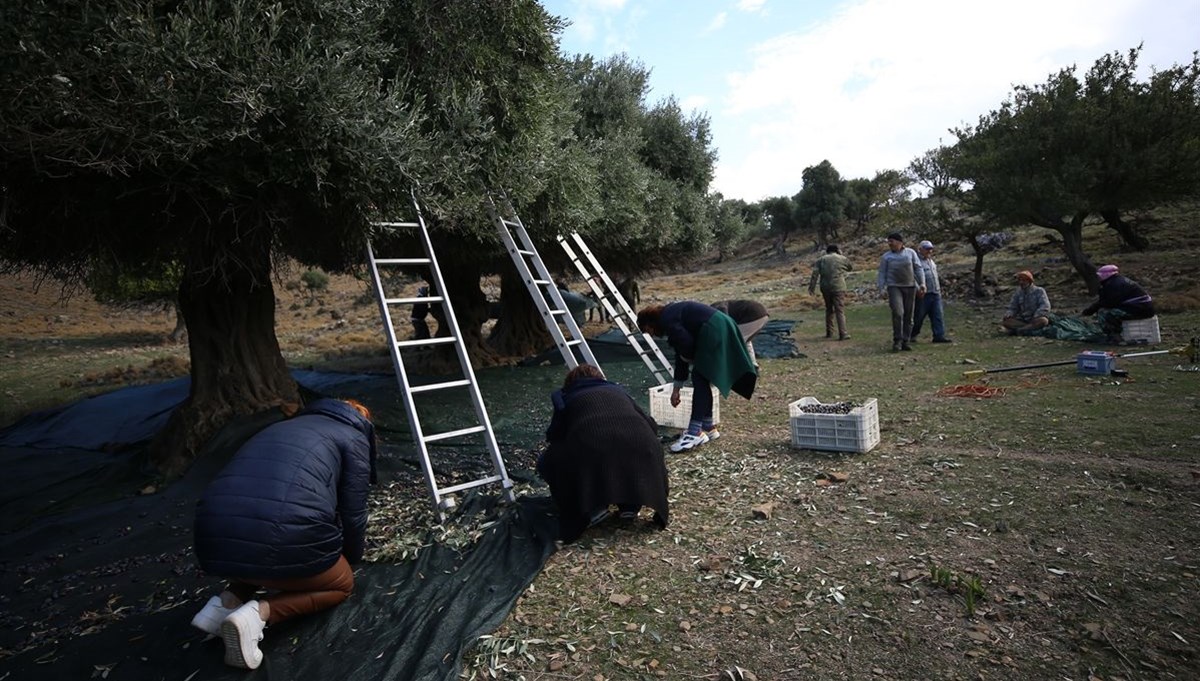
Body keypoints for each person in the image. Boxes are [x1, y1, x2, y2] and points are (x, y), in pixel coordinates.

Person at [191, 398, 377, 669]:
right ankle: (258, 615)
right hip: (280, 534)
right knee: (341, 583)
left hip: (212, 534)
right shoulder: (353, 437)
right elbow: (353, 513)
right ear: (363, 422)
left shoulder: (284, 426)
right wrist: (351, 557)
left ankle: (222, 606)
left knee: (260, 537)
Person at [536, 364, 669, 543]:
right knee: (626, 454)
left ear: (570, 382)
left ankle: (592, 507)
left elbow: (555, 434)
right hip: (644, 445)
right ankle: (630, 505)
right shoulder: (617, 390)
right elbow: (650, 424)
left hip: (594, 447)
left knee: (551, 460)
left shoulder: (563, 396)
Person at [636, 302, 757, 452]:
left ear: (649, 322)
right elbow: (681, 353)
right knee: (702, 377)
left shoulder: (667, 320)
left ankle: (694, 432)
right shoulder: (670, 315)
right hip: (721, 325)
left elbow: (686, 347)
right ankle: (708, 426)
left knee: (700, 376)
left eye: (648, 330)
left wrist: (688, 357)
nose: (651, 335)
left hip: (715, 328)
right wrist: (677, 388)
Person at [876, 232, 926, 352]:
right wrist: (881, 288)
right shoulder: (886, 257)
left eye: (891, 241)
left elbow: (918, 268)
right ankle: (897, 340)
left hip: (910, 286)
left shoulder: (911, 253)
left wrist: (922, 284)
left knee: (909, 315)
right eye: (888, 241)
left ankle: (906, 340)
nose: (889, 244)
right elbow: (882, 273)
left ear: (900, 242)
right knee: (898, 313)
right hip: (894, 287)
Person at [1081, 264, 1154, 338]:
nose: (1099, 278)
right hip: (1143, 308)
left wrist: (1091, 310)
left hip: (1139, 310)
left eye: (1100, 276)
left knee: (1104, 313)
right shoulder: (1119, 281)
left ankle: (1114, 336)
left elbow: (1108, 303)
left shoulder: (1114, 285)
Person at [808, 244, 853, 340]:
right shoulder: (842, 258)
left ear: (827, 251)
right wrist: (841, 255)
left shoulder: (821, 260)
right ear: (837, 250)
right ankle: (843, 333)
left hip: (825, 287)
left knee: (829, 309)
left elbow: (814, 275)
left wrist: (811, 288)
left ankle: (829, 332)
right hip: (838, 286)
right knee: (839, 310)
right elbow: (850, 267)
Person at [910, 240, 952, 343]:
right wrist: (917, 288)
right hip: (923, 294)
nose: (930, 251)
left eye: (931, 249)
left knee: (938, 315)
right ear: (920, 249)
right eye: (927, 249)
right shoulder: (916, 261)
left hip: (935, 292)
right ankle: (912, 335)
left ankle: (939, 336)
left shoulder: (931, 261)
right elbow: (912, 277)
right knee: (918, 317)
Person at [710, 299, 770, 367]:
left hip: (754, 313)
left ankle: (734, 369)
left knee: (736, 343)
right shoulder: (715, 308)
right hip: (762, 314)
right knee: (743, 341)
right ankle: (753, 365)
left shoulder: (714, 309)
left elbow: (724, 317)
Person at [1001, 270, 1052, 335]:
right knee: (1006, 322)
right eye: (1020, 280)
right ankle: (1026, 328)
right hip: (1023, 320)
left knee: (1043, 321)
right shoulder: (1018, 293)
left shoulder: (1039, 291)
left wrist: (1037, 315)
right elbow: (1013, 307)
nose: (1021, 282)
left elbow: (1045, 306)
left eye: (1024, 280)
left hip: (1035, 318)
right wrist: (1009, 313)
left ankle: (1018, 331)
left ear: (1029, 281)